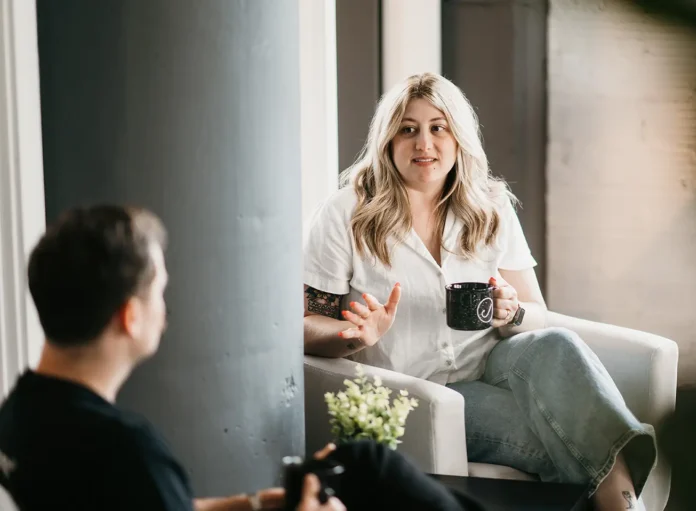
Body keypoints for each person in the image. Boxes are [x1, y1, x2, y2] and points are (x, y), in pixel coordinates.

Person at [303, 72, 657, 511]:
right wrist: (355, 336)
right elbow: (307, 325)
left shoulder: (490, 204)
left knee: (558, 343)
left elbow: (536, 312)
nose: (424, 144)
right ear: (387, 141)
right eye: (408, 130)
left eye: (438, 128)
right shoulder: (346, 213)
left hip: (491, 364)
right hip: (421, 391)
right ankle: (626, 502)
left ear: (459, 138)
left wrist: (512, 311)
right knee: (567, 439)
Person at [0, 205, 343, 511]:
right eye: (159, 292)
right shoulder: (127, 453)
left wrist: (254, 504)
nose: (164, 310)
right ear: (130, 317)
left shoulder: (17, 414)